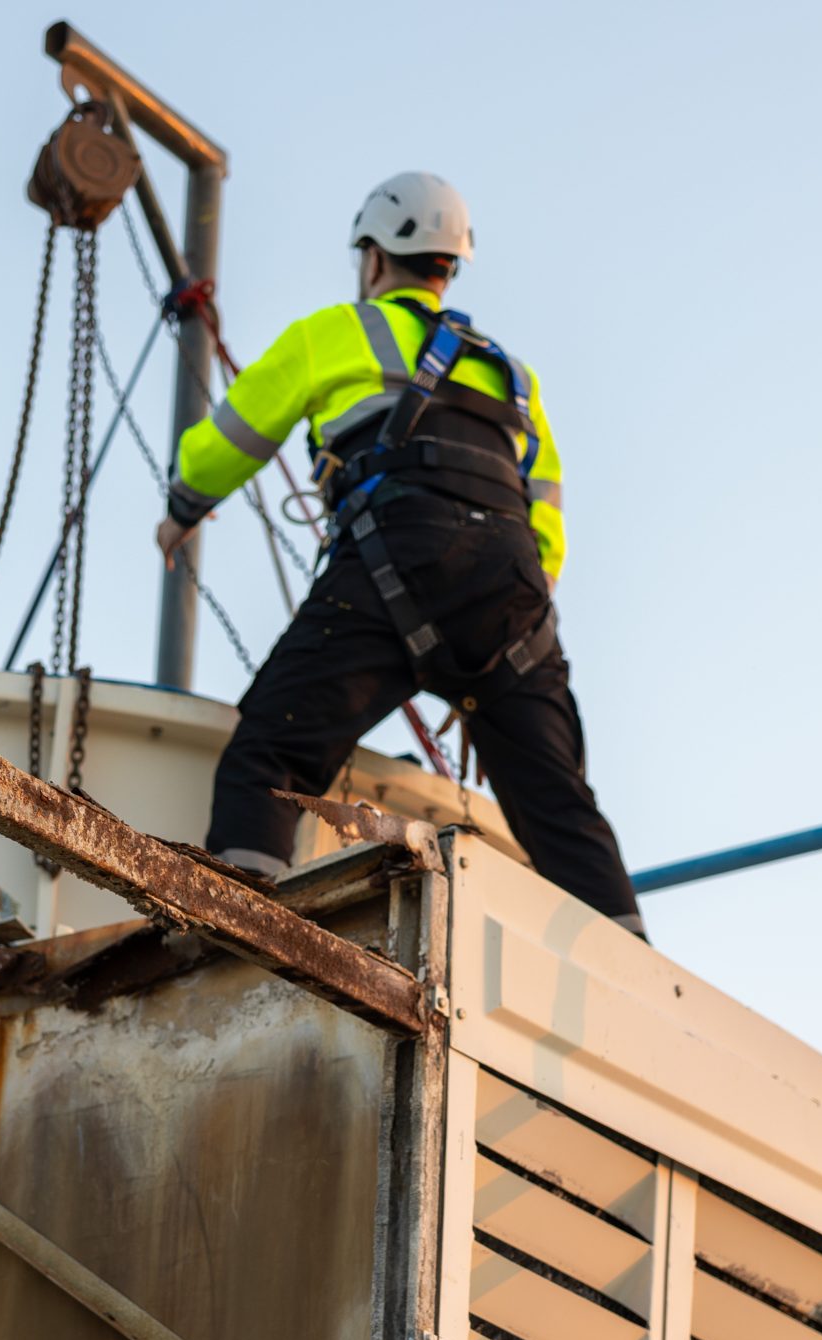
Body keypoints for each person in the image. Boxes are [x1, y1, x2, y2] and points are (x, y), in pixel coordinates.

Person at [158, 171, 644, 936]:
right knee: (561, 812)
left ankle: (234, 945)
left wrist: (182, 507)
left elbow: (225, 445)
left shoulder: (334, 332)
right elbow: (546, 528)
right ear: (449, 268)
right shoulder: (516, 378)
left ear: (375, 259)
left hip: (394, 559)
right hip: (513, 593)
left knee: (271, 759)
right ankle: (635, 983)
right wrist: (493, 658)